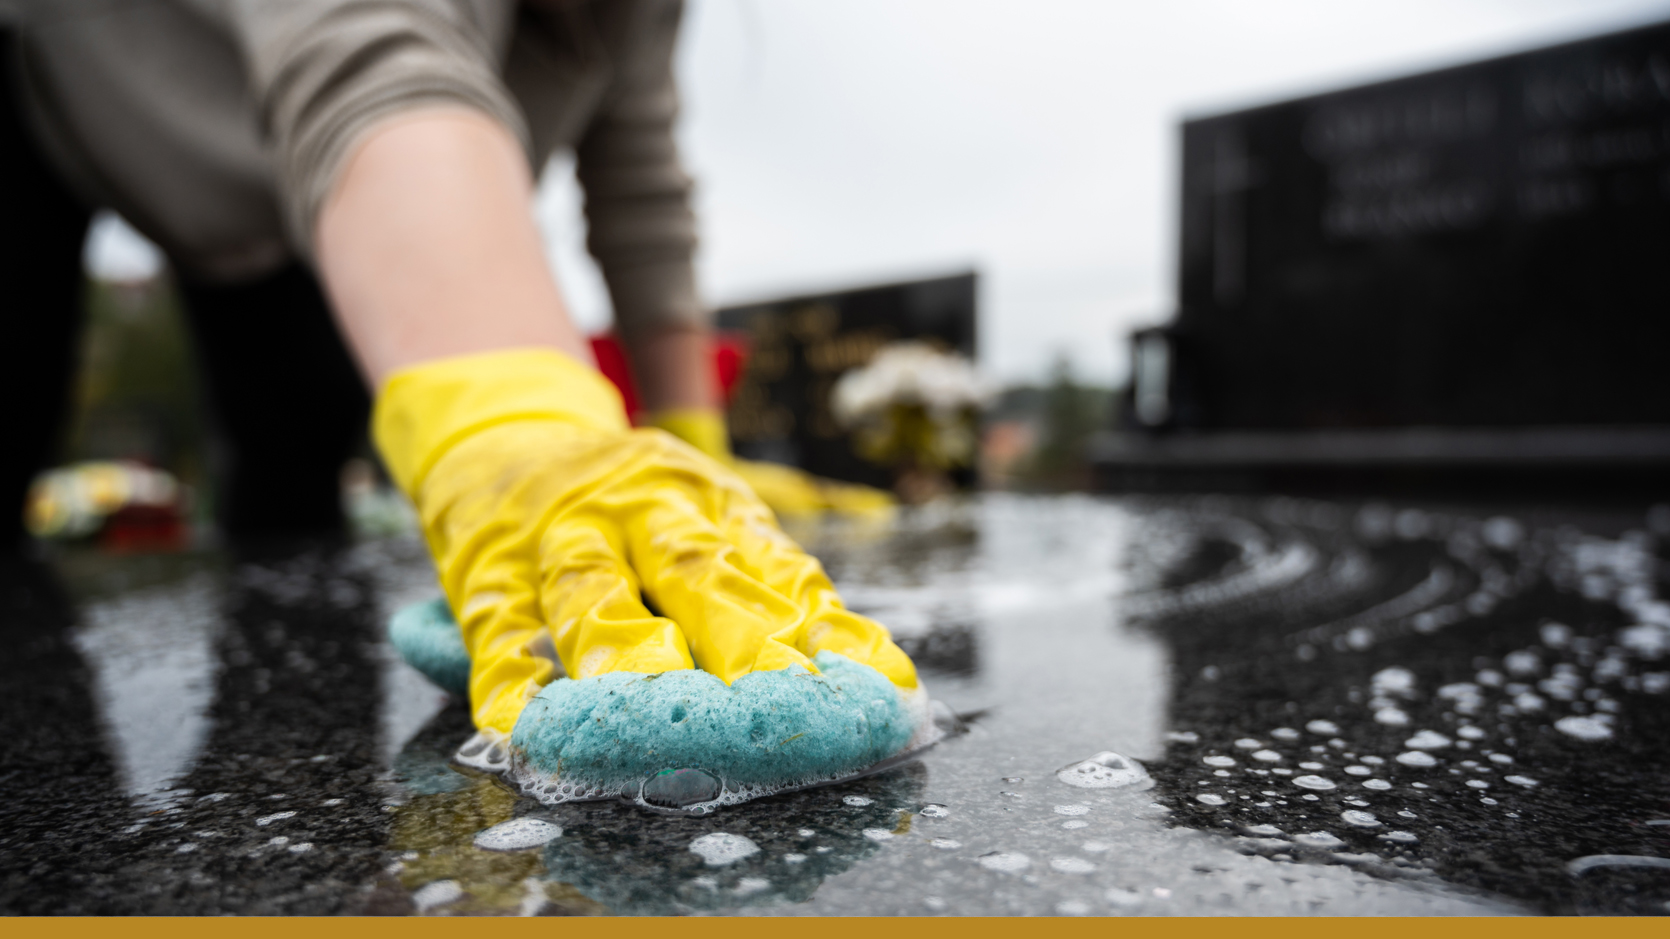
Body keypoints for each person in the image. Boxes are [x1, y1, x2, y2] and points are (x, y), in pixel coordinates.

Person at [3, 0, 916, 743]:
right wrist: (515, 423)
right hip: (75, 98)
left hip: (307, 207)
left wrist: (690, 444)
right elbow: (366, 48)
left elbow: (639, 179)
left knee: (293, 472)